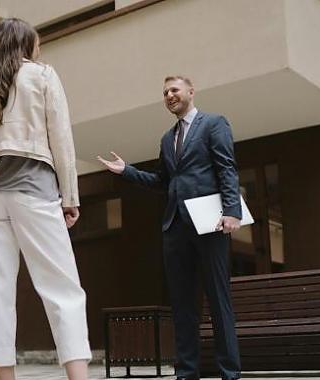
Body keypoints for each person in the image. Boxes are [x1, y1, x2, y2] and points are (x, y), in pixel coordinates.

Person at [0, 18, 91, 380]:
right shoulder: (44, 75)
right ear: (28, 45)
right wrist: (70, 195)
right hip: (34, 190)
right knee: (62, 288)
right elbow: (61, 139)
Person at [98, 76, 242, 380]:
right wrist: (128, 172)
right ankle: (187, 373)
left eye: (174, 90)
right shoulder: (167, 138)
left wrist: (232, 211)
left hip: (210, 223)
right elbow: (162, 181)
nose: (169, 95)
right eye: (164, 92)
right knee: (182, 305)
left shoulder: (214, 124)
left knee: (218, 300)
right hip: (175, 228)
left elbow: (226, 168)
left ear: (191, 91)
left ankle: (230, 373)